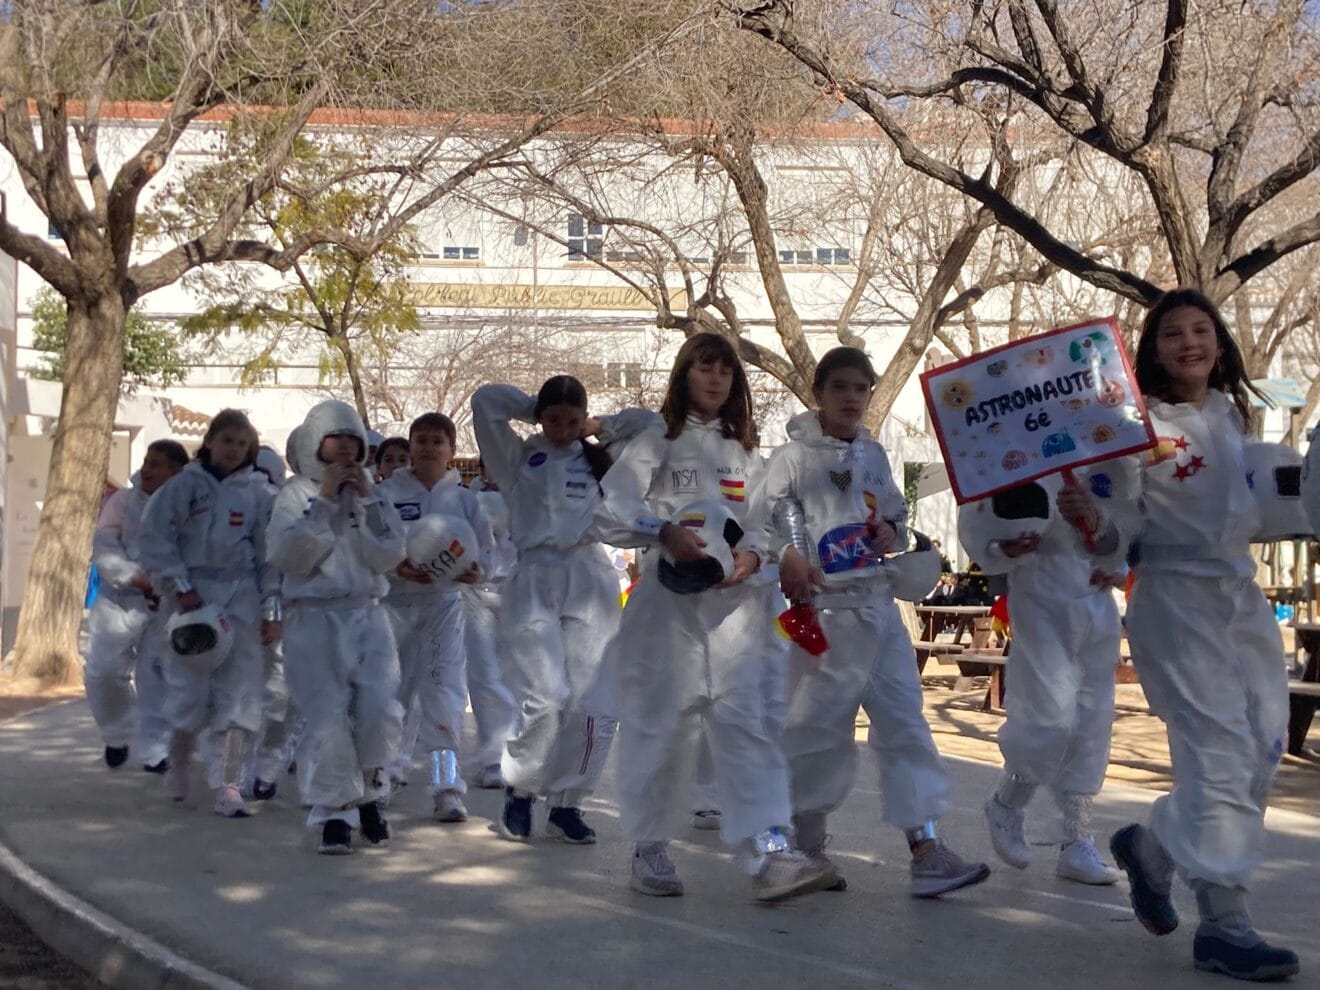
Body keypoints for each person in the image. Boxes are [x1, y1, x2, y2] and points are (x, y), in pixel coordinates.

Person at [1073, 290, 1299, 981]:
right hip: (1174, 601)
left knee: (1264, 743)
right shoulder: (1134, 425)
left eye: (1201, 329)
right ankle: (1224, 924)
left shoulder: (1231, 415)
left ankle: (1152, 849)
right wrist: (1090, 520)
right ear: (1153, 349)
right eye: (1173, 333)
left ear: (1220, 344)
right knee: (1219, 752)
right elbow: (1117, 531)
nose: (1189, 342)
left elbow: (1258, 505)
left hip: (1240, 595)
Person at [597, 332, 827, 902]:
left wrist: (753, 554)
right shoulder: (656, 441)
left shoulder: (745, 451)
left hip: (737, 614)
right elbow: (608, 511)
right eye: (705, 368)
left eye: (726, 371)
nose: (716, 379)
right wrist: (663, 532)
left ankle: (770, 851)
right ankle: (649, 848)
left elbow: (765, 522)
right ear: (683, 376)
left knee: (750, 726)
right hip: (667, 610)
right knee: (661, 727)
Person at [766, 346, 989, 898]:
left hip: (880, 609)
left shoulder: (875, 456)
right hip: (824, 615)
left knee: (905, 724)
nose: (850, 398)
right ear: (818, 393)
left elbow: (893, 511)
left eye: (860, 389)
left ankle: (927, 849)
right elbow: (760, 519)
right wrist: (786, 555)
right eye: (839, 387)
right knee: (817, 735)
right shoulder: (790, 459)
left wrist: (892, 531)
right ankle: (808, 852)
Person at [471, 376, 655, 844]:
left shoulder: (601, 460)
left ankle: (568, 802)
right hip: (533, 577)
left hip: (589, 575)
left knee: (590, 700)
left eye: (572, 421)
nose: (562, 428)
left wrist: (601, 426)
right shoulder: (517, 457)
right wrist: (532, 408)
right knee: (546, 695)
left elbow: (652, 428)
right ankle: (520, 788)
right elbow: (486, 400)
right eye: (553, 419)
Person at [959, 465, 1135, 886]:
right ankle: (1007, 801)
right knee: (1048, 717)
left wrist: (1111, 550)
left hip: (1096, 600)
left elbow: (1130, 525)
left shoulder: (1111, 449)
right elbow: (981, 524)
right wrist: (1004, 548)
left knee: (1091, 723)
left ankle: (1076, 842)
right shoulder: (1012, 450)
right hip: (1039, 594)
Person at [267, 400, 407, 855]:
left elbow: (390, 553)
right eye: (336, 441)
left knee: (378, 709)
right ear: (315, 445)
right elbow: (289, 556)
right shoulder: (294, 495)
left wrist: (366, 500)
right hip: (313, 618)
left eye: (353, 441)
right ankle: (333, 812)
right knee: (326, 717)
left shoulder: (373, 492)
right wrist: (325, 502)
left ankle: (369, 793)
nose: (346, 450)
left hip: (367, 613)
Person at [138, 410, 280, 819]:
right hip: (191, 600)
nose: (234, 449)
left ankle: (230, 784)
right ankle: (180, 758)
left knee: (241, 697)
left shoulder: (257, 494)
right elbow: (156, 539)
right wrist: (180, 588)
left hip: (242, 598)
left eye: (242, 443)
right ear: (211, 441)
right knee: (190, 693)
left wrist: (271, 609)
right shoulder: (183, 487)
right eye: (227, 440)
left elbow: (270, 556)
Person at [377, 413, 486, 823]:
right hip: (395, 607)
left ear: (451, 451)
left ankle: (446, 787)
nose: (428, 448)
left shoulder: (465, 500)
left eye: (437, 441)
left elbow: (486, 553)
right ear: (410, 447)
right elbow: (376, 543)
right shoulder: (386, 494)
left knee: (444, 696)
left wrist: (478, 570)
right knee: (390, 696)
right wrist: (395, 567)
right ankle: (382, 777)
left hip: (444, 608)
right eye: (420, 440)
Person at [84, 440, 189, 773]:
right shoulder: (122, 501)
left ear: (175, 472)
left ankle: (155, 750)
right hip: (118, 602)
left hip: (163, 607)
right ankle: (116, 734)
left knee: (156, 677)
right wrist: (134, 577)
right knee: (102, 672)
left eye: (156, 464)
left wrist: (170, 585)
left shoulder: (186, 506)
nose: (147, 468)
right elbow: (104, 544)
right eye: (147, 461)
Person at [462, 459, 520, 789]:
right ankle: (492, 757)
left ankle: (516, 753)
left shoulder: (527, 498)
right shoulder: (468, 502)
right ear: (483, 471)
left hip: (517, 593)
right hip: (475, 594)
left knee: (517, 675)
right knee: (484, 676)